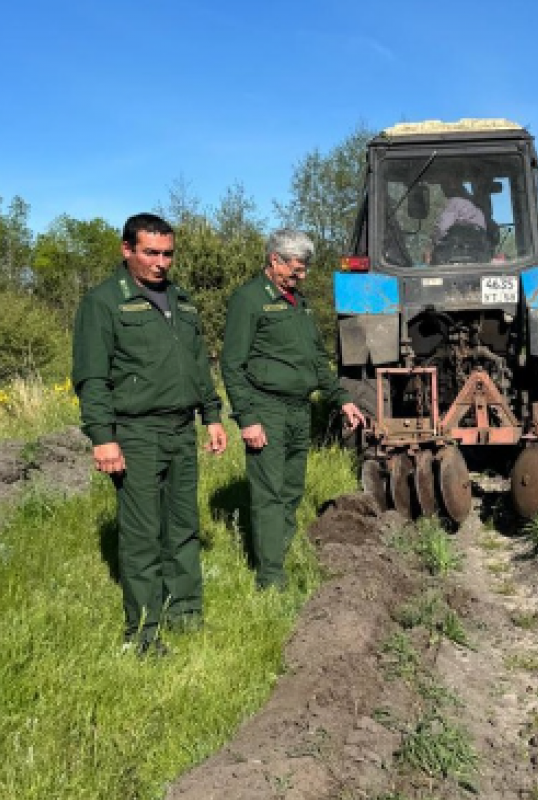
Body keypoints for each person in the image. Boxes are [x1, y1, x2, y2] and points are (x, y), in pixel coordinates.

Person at [72, 213, 227, 655]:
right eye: (150, 253)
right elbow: (92, 377)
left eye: (167, 253)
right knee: (142, 534)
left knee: (182, 525)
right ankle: (143, 631)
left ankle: (186, 613)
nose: (161, 263)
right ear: (127, 250)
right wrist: (103, 437)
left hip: (180, 429)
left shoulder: (182, 300)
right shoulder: (104, 302)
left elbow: (198, 364)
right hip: (136, 432)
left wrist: (212, 415)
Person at [220, 229, 365, 590]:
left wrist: (341, 397)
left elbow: (317, 358)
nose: (302, 276)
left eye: (304, 270)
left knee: (291, 489)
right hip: (266, 409)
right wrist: (247, 419)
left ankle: (279, 553)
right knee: (268, 493)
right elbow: (232, 365)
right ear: (275, 260)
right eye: (297, 269)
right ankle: (270, 578)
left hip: (299, 409)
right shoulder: (249, 299)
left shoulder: (300, 302)